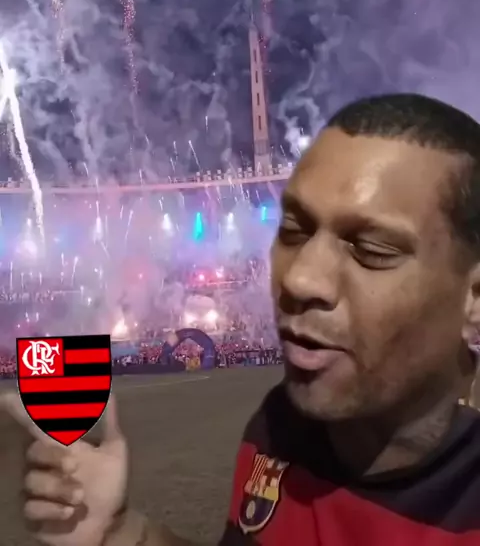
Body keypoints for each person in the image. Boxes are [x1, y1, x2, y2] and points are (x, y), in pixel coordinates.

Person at [2, 92, 480, 546]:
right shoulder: (281, 428)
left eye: (371, 249)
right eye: (293, 230)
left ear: (474, 297)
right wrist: (118, 531)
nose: (300, 278)